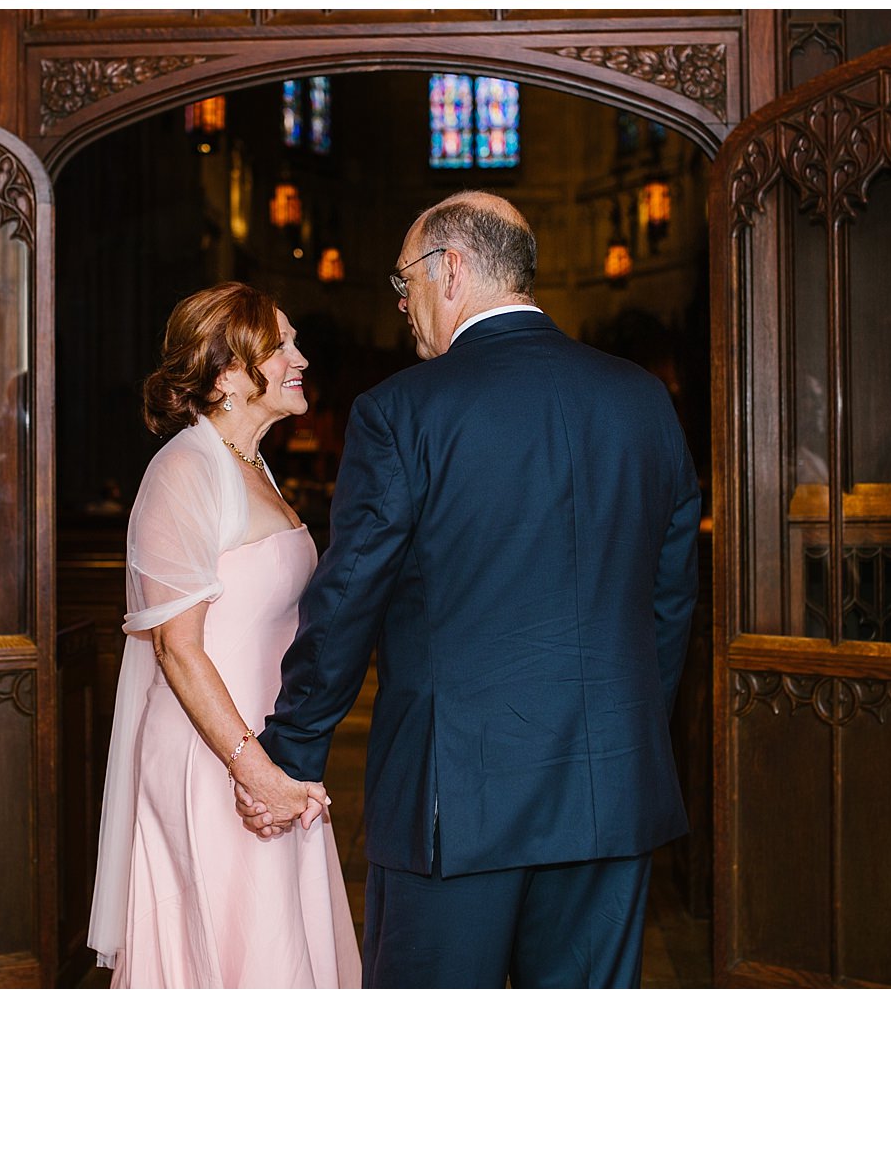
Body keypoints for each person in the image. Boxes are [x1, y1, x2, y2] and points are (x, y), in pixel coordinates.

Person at [236, 191, 701, 987]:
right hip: (608, 787)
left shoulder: (402, 412)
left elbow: (348, 599)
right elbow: (669, 595)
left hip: (457, 800)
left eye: (404, 282)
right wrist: (620, 730)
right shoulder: (641, 401)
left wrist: (290, 752)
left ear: (450, 270)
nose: (403, 307)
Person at [88, 282, 360, 988]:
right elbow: (178, 648)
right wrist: (254, 770)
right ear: (228, 373)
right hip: (215, 759)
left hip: (268, 750)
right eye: (281, 346)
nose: (300, 357)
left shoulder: (252, 464)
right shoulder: (183, 469)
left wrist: (283, 760)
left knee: (274, 945)